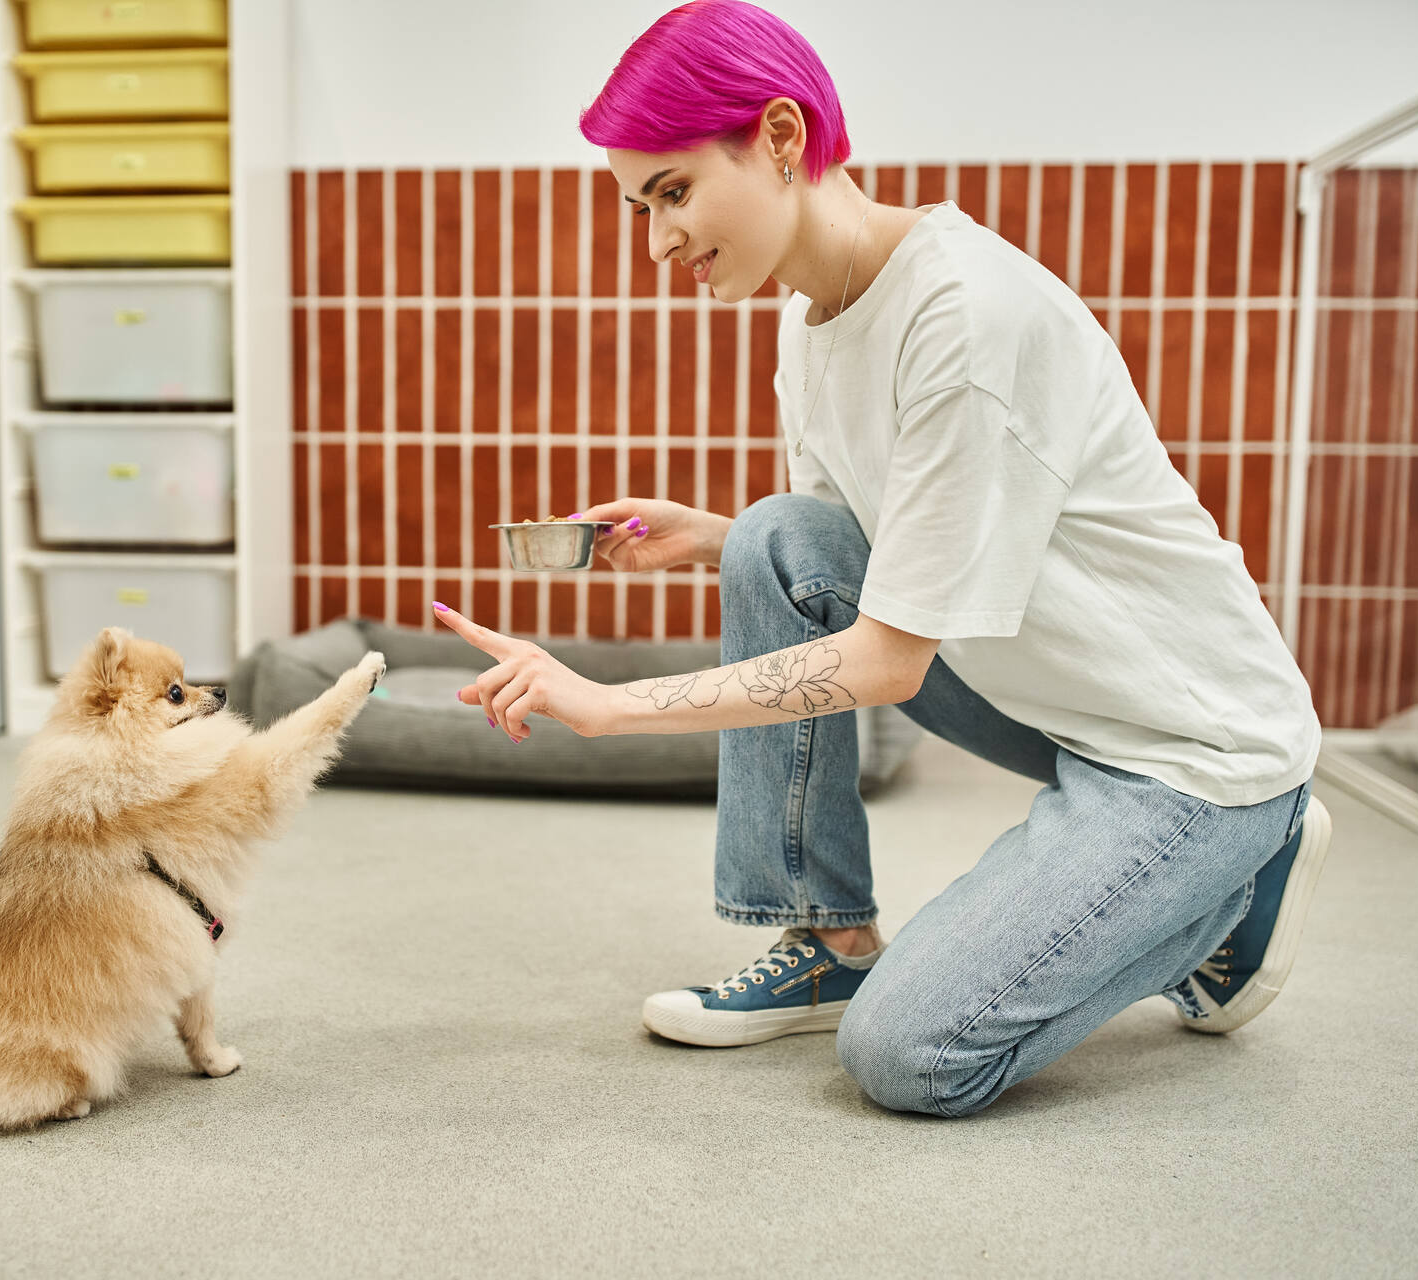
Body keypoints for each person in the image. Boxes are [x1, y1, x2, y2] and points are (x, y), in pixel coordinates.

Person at [430, 0, 1329, 1118]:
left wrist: (613, 703)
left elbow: (887, 660)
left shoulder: (967, 316)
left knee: (909, 1056)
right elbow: (846, 558)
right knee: (774, 533)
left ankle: (1242, 873)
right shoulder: (811, 322)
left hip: (1195, 752)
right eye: (639, 205)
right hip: (1067, 710)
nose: (657, 240)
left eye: (671, 193)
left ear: (781, 138)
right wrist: (715, 538)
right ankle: (830, 939)